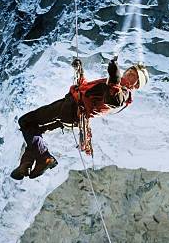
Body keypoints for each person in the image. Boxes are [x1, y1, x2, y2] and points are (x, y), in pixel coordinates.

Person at [10, 58, 149, 180]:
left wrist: (114, 77)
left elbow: (113, 99)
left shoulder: (123, 92)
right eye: (130, 70)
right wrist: (80, 70)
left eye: (134, 75)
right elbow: (87, 90)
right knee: (35, 128)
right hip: (72, 111)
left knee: (26, 121)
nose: (129, 72)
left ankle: (44, 158)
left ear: (135, 85)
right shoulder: (113, 84)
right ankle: (26, 164)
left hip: (70, 109)